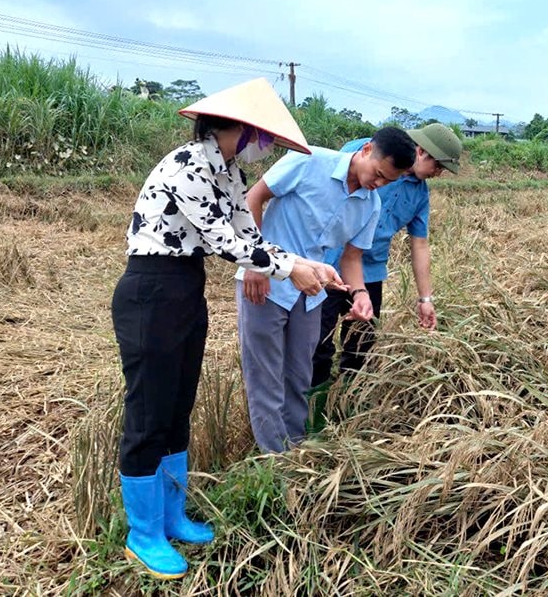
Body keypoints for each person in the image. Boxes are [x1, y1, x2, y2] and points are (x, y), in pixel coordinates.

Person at [111, 78, 343, 580]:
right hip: (151, 289)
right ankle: (143, 532)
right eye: (260, 138)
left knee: (177, 407)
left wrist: (306, 263)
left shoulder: (230, 173)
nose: (264, 149)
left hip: (185, 289)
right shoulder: (189, 164)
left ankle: (174, 515)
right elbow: (224, 240)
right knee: (149, 412)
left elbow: (249, 233)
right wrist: (290, 269)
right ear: (235, 128)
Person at [237, 126, 417, 452]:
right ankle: (275, 464)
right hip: (267, 283)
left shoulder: (370, 204)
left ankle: (297, 449)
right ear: (365, 150)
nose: (378, 184)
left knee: (299, 377)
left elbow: (352, 257)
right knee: (265, 378)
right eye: (377, 174)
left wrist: (360, 296)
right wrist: (256, 262)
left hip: (309, 294)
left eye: (387, 181)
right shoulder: (308, 162)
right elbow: (254, 197)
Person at [309, 123, 462, 424]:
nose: (438, 174)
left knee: (361, 346)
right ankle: (312, 419)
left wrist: (425, 298)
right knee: (318, 346)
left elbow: (419, 244)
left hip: (370, 273)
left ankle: (346, 413)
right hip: (328, 264)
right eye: (438, 165)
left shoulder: (419, 195)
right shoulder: (373, 153)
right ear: (421, 151)